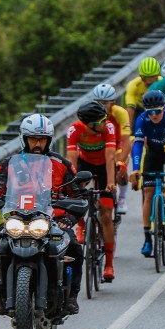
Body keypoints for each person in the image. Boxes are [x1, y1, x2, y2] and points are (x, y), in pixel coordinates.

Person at [0, 114, 83, 315]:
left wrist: (69, 218)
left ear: (49, 140)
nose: (38, 143)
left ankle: (71, 297)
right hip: (16, 218)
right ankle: (1, 295)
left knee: (74, 247)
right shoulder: (10, 164)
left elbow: (78, 193)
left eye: (42, 139)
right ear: (24, 139)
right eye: (34, 139)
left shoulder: (61, 164)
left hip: (52, 220)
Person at [66, 101, 119, 282]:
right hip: (85, 165)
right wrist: (72, 184)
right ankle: (81, 225)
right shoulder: (75, 130)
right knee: (75, 197)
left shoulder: (109, 128)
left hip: (105, 167)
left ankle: (109, 264)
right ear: (89, 124)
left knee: (105, 214)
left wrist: (111, 182)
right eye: (101, 120)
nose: (106, 122)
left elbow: (110, 156)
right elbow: (71, 161)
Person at [129, 89, 165, 259]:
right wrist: (136, 168)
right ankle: (147, 238)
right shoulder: (142, 119)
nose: (154, 116)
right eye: (151, 112)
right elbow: (137, 145)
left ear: (164, 108)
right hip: (153, 155)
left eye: (157, 111)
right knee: (148, 194)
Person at [92, 82, 133, 214]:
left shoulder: (120, 113)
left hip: (118, 144)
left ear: (113, 103)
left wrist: (121, 161)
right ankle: (96, 198)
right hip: (101, 145)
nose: (101, 105)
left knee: (121, 168)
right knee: (95, 174)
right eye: (98, 102)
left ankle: (122, 198)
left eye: (104, 102)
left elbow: (126, 140)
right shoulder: (91, 113)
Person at [125, 56, 161, 121]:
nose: (148, 82)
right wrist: (128, 128)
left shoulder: (162, 83)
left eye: (152, 78)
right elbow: (130, 108)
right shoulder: (133, 85)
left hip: (158, 109)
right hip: (140, 109)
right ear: (140, 76)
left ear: (157, 76)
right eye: (144, 78)